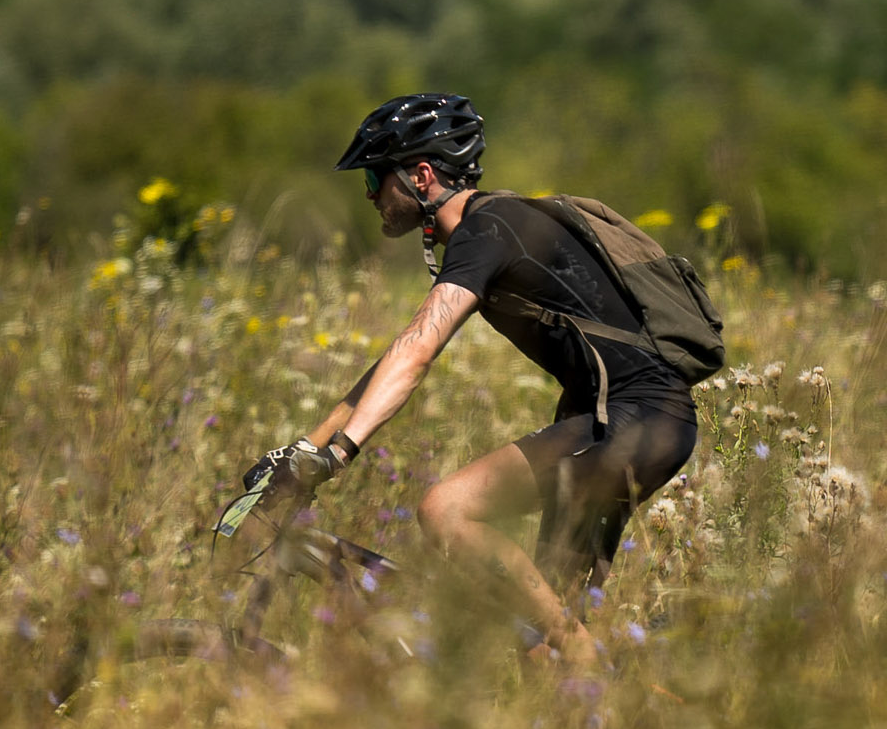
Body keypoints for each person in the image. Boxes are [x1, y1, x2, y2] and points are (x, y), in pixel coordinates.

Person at [245, 93, 699, 669]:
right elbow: (397, 356)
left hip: (632, 422)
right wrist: (306, 447)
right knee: (541, 646)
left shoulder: (489, 230)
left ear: (421, 176)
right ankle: (617, 699)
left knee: (447, 510)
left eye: (375, 177)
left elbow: (418, 350)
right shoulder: (492, 226)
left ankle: (587, 660)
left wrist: (337, 456)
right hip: (636, 424)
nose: (369, 195)